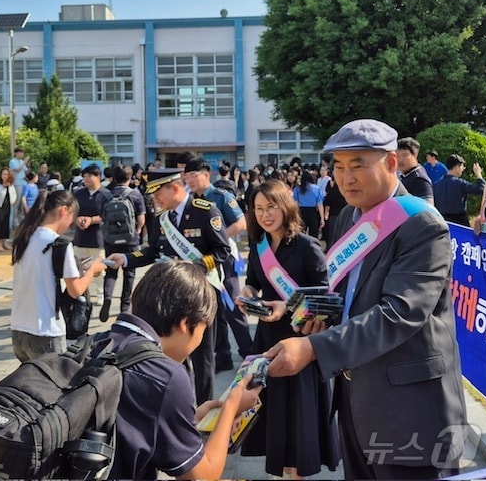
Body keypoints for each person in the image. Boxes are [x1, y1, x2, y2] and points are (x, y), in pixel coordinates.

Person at [264, 119, 467, 481]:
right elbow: (348, 294)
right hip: (356, 405)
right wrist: (316, 314)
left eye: (358, 164)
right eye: (338, 167)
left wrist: (314, 348)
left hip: (412, 412)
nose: (346, 178)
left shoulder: (422, 225)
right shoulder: (347, 218)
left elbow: (399, 314)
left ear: (391, 163)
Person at [109, 259, 262, 480]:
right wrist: (231, 408)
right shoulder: (165, 375)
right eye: (202, 329)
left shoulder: (99, 343)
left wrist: (190, 418)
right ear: (185, 323)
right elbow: (202, 476)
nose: (201, 339)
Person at [237, 179, 339, 478]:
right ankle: (281, 469)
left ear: (285, 206)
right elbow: (255, 281)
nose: (265, 215)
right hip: (267, 339)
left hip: (301, 342)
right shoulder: (259, 247)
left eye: (271, 207)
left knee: (299, 415)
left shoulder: (307, 246)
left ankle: (297, 472)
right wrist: (248, 294)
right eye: (258, 209)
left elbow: (326, 297)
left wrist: (287, 306)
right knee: (272, 410)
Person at [107, 169, 232, 404]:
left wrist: (194, 266)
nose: (154, 200)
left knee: (202, 356)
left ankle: (204, 406)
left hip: (200, 292)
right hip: (172, 295)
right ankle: (180, 403)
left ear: (174, 188)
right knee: (172, 352)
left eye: (157, 194)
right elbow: (152, 251)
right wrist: (125, 259)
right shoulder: (161, 219)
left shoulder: (205, 212)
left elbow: (222, 251)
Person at [10, 190, 106, 362]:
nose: (70, 225)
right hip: (46, 332)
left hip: (19, 330)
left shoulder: (23, 238)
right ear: (63, 210)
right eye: (71, 219)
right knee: (56, 386)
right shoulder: (59, 243)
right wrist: (92, 270)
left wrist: (77, 265)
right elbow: (75, 291)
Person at [184, 157, 252, 372]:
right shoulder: (190, 200)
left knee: (232, 306)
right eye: (187, 177)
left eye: (193, 176)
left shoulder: (221, 196)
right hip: (203, 262)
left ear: (206, 174)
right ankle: (222, 356)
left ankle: (249, 354)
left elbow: (241, 223)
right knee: (212, 310)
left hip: (223, 258)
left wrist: (218, 238)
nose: (190, 180)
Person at [99, 165, 146, 323]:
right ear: (130, 177)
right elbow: (141, 219)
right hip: (130, 240)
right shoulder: (135, 194)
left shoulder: (106, 195)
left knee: (111, 271)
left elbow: (102, 219)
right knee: (130, 272)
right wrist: (138, 231)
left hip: (111, 240)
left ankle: (107, 297)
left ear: (113, 177)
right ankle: (125, 307)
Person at [72, 164, 111, 306]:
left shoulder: (106, 195)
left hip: (98, 238)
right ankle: (81, 293)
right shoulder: (79, 193)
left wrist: (92, 220)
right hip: (80, 238)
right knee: (78, 267)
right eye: (85, 176)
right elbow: (72, 211)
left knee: (99, 268)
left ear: (98, 177)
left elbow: (108, 216)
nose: (86, 179)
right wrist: (76, 219)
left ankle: (100, 293)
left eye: (89, 176)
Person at [433, 154, 486, 227]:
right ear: (457, 166)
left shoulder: (436, 185)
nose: (463, 168)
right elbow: (480, 189)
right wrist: (478, 174)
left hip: (441, 221)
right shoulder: (460, 183)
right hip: (459, 222)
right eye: (462, 166)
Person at [396, 137, 434, 202]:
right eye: (397, 155)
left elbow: (428, 208)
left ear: (415, 155)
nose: (400, 159)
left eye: (404, 155)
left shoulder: (419, 179)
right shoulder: (404, 175)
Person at [291, 170, 325, 238]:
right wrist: (322, 218)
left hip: (301, 211)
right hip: (313, 212)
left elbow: (295, 203)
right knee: (314, 234)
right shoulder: (317, 188)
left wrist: (295, 215)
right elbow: (320, 204)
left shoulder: (297, 189)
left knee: (300, 233)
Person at [9, 147, 30, 227]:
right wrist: (24, 162)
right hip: (17, 184)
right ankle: (14, 220)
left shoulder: (21, 161)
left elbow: (26, 171)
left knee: (23, 203)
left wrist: (28, 164)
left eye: (22, 153)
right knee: (16, 203)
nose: (21, 154)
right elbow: (17, 170)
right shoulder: (12, 161)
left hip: (24, 183)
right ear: (16, 153)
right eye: (20, 152)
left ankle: (22, 218)